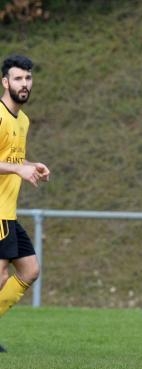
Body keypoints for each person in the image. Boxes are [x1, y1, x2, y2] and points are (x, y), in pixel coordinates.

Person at [0, 55, 50, 351]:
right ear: (5, 82)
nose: (24, 84)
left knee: (30, 270)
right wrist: (19, 169)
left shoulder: (23, 119)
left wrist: (31, 165)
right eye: (18, 79)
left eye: (28, 78)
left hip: (8, 213)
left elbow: (11, 161)